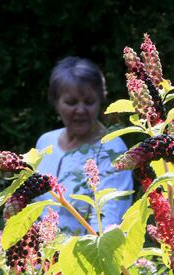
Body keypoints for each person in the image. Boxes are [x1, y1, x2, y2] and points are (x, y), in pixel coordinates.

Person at [35, 56, 133, 234]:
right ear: (56, 103)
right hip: (41, 257)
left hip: (87, 255)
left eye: (89, 102)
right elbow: (33, 210)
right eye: (71, 102)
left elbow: (108, 225)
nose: (80, 110)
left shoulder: (113, 150)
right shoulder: (45, 142)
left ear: (100, 101)